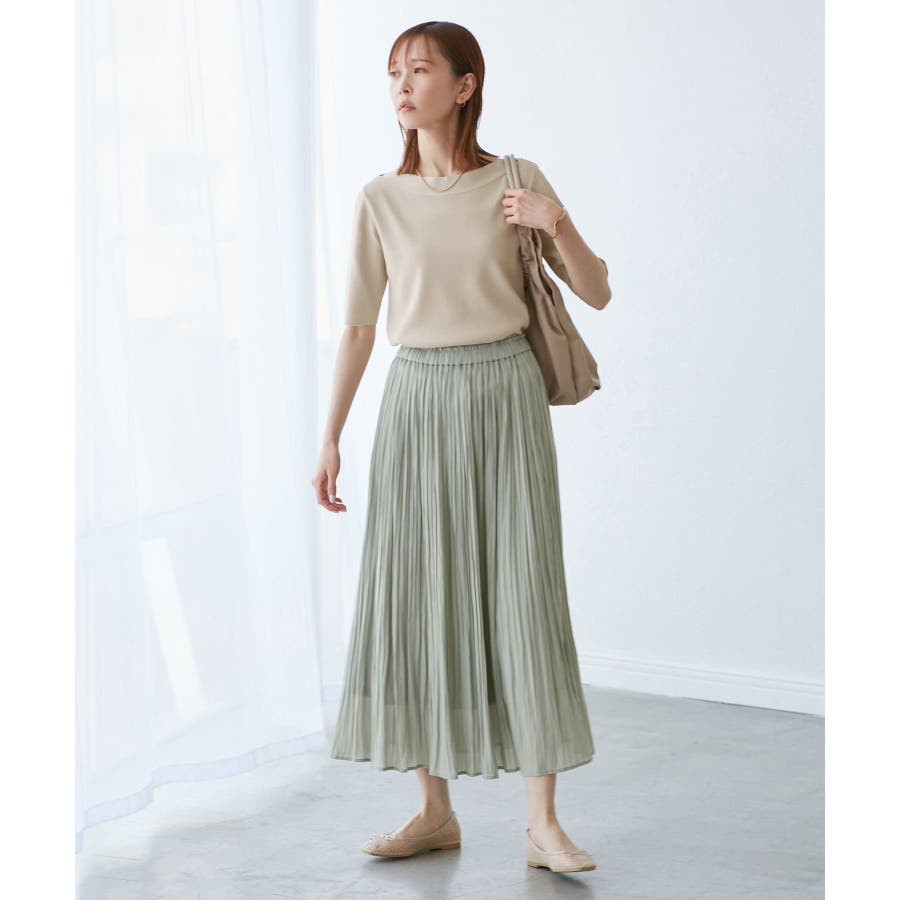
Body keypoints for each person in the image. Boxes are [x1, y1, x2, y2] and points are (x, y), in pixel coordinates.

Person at [310, 20, 612, 875]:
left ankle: (542, 825)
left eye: (419, 70)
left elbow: (597, 290)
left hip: (505, 395)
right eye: (392, 74)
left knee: (524, 590)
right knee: (418, 592)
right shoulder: (380, 198)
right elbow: (360, 328)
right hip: (416, 400)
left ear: (465, 85)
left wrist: (556, 223)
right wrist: (330, 436)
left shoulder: (516, 181)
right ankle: (433, 810)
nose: (402, 87)